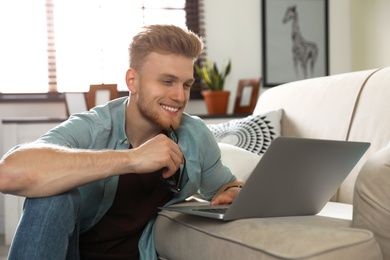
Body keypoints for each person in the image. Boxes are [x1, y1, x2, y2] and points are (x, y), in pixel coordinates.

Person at [0, 24, 243, 259]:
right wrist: (133, 159)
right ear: (132, 81)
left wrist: (231, 192)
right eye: (167, 82)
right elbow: (8, 173)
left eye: (186, 85)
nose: (179, 97)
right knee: (54, 196)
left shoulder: (195, 135)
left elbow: (226, 186)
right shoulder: (93, 127)